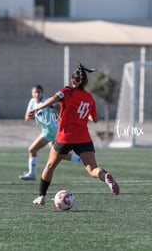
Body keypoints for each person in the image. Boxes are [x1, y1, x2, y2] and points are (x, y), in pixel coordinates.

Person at [31, 64, 119, 206]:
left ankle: (41, 196)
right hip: (84, 138)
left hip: (65, 137)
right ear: (86, 83)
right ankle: (104, 175)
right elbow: (94, 119)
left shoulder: (66, 91)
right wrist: (83, 116)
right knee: (92, 170)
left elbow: (53, 99)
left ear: (73, 81)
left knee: (50, 166)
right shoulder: (89, 98)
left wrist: (37, 108)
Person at [19, 84, 83, 180]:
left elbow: (60, 107)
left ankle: (32, 174)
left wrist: (53, 106)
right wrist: (28, 116)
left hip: (51, 130)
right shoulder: (32, 102)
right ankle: (80, 159)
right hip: (47, 130)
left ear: (42, 93)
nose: (37, 94)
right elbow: (26, 117)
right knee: (57, 154)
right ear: (32, 94)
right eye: (34, 92)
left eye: (38, 92)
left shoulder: (47, 101)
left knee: (32, 149)